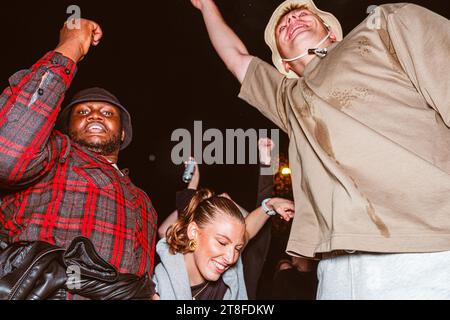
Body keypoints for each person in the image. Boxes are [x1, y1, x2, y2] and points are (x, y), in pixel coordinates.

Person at [190, 0, 450, 299]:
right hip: (337, 269)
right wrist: (206, 5)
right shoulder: (288, 99)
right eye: (283, 26)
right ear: (285, 65)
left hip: (427, 245)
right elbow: (236, 58)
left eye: (303, 14)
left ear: (332, 33)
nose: (293, 19)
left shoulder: (382, 28)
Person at [0, 18, 157, 299]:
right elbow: (6, 153)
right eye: (82, 112)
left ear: (122, 134)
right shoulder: (57, 154)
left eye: (107, 113)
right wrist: (69, 47)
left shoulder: (144, 202)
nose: (95, 115)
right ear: (65, 128)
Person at [152, 189, 294, 300]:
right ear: (194, 232)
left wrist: (270, 205)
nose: (231, 258)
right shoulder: (157, 290)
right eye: (222, 242)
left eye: (238, 248)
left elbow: (248, 232)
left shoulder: (227, 271)